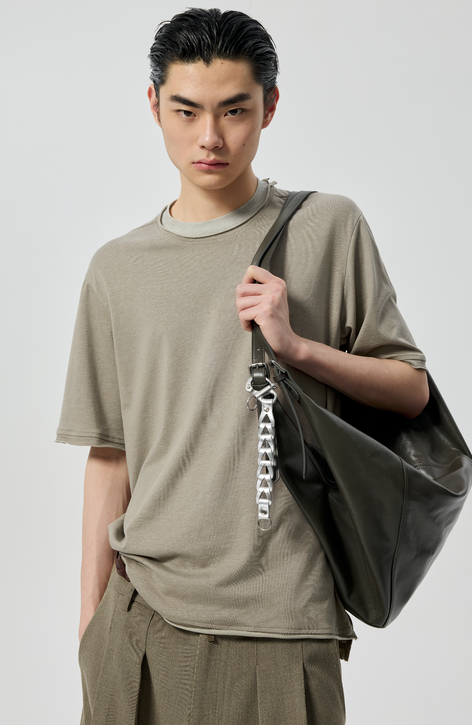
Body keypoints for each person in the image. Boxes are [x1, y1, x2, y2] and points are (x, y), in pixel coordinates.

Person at [56, 8, 429, 725]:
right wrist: (90, 624)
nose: (210, 137)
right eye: (186, 110)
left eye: (234, 110)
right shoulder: (116, 269)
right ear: (153, 105)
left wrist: (299, 347)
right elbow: (110, 452)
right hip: (140, 621)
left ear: (270, 105)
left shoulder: (328, 228)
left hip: (282, 624)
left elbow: (410, 390)